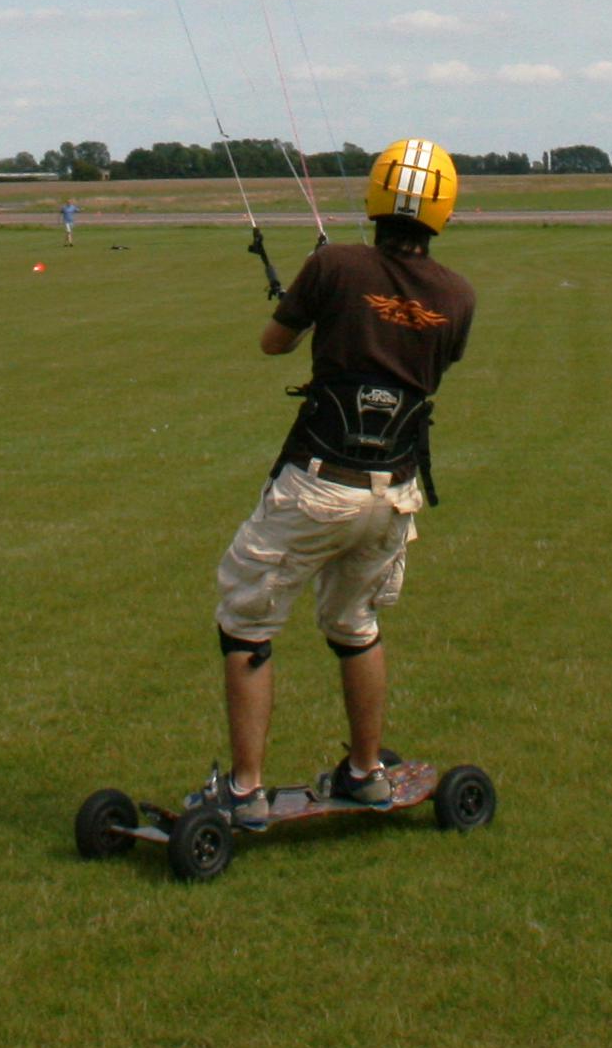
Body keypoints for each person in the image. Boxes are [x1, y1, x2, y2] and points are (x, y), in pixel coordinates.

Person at [202, 139, 474, 824]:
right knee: (355, 623)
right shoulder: (458, 296)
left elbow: (275, 342)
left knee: (246, 620)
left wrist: (315, 301)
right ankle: (365, 772)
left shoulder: (334, 266)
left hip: (319, 482)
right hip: (396, 493)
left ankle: (245, 790)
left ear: (376, 194)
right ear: (443, 210)